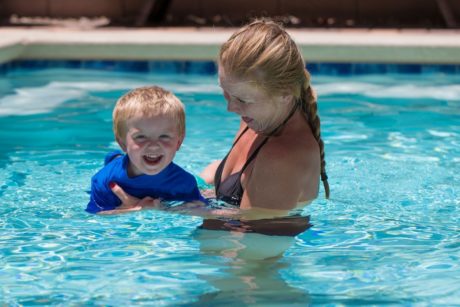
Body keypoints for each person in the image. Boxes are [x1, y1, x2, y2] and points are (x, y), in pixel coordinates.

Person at [109, 19, 329, 234]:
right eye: (226, 92)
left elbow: (252, 233)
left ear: (284, 94)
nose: (231, 108)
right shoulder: (260, 118)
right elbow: (230, 181)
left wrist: (156, 210)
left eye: (242, 100)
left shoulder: (281, 159)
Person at [86, 85, 204, 214]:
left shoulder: (184, 184)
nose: (153, 145)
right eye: (141, 137)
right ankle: (115, 158)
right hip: (116, 167)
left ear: (179, 142)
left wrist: (163, 209)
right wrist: (132, 210)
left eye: (164, 136)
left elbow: (199, 211)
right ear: (122, 143)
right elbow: (96, 217)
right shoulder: (105, 180)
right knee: (114, 161)